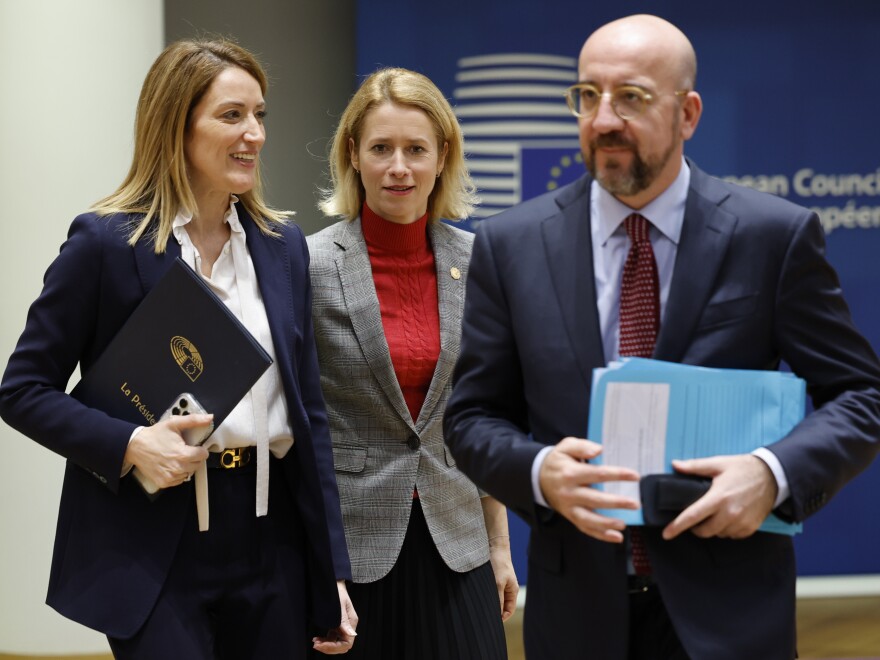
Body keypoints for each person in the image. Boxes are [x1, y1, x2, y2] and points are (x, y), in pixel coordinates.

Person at [443, 14, 880, 660]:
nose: (603, 118)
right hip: (579, 618)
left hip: (731, 613)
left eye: (632, 97)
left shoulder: (771, 237)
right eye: (587, 96)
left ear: (689, 113)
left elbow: (861, 396)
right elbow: (473, 417)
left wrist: (772, 474)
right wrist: (540, 473)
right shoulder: (511, 245)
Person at [0, 38, 356, 658]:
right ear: (176, 125)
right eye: (231, 115)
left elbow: (311, 420)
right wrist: (131, 445)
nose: (254, 134)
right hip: (153, 544)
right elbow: (22, 390)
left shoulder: (283, 247)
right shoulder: (106, 244)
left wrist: (332, 568)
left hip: (273, 539)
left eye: (259, 115)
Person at [307, 67, 518, 659]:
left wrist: (499, 547)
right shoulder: (308, 266)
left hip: (459, 546)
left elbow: (486, 414)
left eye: (415, 149)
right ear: (353, 154)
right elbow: (301, 427)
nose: (398, 166)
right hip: (352, 555)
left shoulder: (481, 263)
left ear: (442, 156)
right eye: (380, 148)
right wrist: (315, 561)